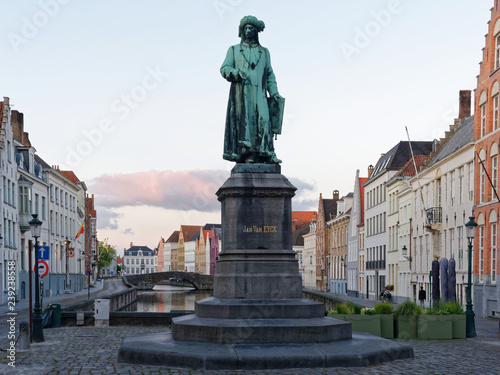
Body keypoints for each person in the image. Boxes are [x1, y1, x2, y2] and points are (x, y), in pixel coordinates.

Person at [221, 15, 284, 164]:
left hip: (260, 93)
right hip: (242, 93)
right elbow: (224, 68)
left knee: (264, 120)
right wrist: (236, 73)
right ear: (242, 31)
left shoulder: (264, 52)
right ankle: (249, 154)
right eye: (246, 28)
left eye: (252, 28)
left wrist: (274, 92)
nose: (249, 30)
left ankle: (267, 152)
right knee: (246, 123)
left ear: (256, 31)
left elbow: (269, 74)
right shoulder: (234, 50)